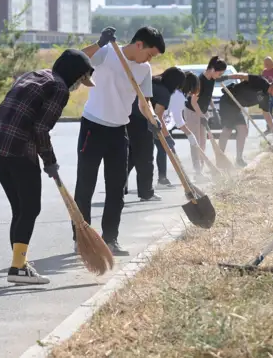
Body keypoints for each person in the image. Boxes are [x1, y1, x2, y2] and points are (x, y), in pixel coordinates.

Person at [0, 47, 96, 285]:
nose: (78, 86)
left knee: (20, 209)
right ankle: (18, 267)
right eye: (80, 80)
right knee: (30, 209)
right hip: (19, 151)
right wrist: (50, 161)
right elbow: (41, 129)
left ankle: (19, 264)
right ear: (75, 74)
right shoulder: (59, 88)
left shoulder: (32, 75)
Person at [74, 26, 165, 257]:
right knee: (85, 186)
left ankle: (110, 239)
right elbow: (75, 59)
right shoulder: (108, 52)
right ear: (139, 44)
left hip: (118, 131)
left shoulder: (144, 69)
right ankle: (81, 238)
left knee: (116, 189)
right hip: (93, 126)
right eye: (150, 54)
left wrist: (153, 119)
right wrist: (99, 43)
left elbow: (144, 102)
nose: (150, 59)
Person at [125, 66, 186, 201]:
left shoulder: (152, 82)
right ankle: (146, 193)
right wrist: (167, 137)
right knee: (146, 159)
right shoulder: (164, 92)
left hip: (127, 119)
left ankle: (120, 187)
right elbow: (157, 116)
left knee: (131, 157)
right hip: (142, 123)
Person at [218, 74, 273, 167]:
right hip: (228, 101)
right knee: (228, 130)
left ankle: (239, 159)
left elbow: (266, 113)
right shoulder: (261, 81)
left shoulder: (266, 97)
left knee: (243, 130)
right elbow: (242, 76)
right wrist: (226, 77)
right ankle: (220, 158)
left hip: (237, 107)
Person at [183, 56, 229, 182]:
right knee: (196, 142)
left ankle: (202, 169)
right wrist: (201, 115)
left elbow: (208, 96)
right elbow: (193, 101)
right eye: (219, 73)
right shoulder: (200, 81)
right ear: (213, 69)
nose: (220, 76)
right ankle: (197, 171)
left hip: (202, 112)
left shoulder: (212, 79)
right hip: (192, 112)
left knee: (203, 142)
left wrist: (213, 109)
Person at [156, 72, 201, 187]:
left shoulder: (176, 94)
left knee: (161, 150)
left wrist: (189, 134)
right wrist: (189, 134)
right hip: (158, 124)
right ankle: (162, 179)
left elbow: (176, 118)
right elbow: (178, 119)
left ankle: (162, 179)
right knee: (163, 149)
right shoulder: (178, 96)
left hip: (161, 124)